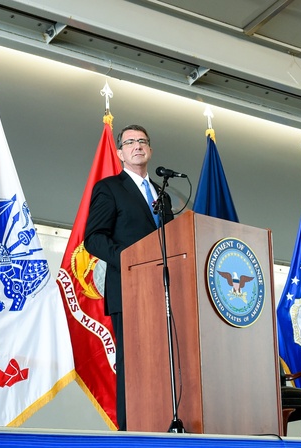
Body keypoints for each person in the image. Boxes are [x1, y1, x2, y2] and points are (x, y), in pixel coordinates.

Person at [84, 124, 174, 430]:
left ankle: (164, 425)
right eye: (130, 142)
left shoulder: (163, 196)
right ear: (121, 153)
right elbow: (93, 238)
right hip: (129, 290)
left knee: (164, 365)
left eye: (143, 141)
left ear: (150, 150)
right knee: (134, 366)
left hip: (164, 293)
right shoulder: (110, 188)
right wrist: (130, 260)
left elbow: (173, 242)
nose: (137, 146)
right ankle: (130, 432)